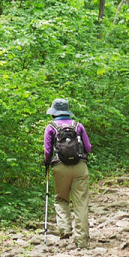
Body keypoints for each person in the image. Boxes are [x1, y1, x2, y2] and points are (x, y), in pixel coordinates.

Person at [43, 98, 92, 248]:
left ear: (54, 113)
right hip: (80, 167)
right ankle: (82, 240)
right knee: (81, 203)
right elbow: (88, 148)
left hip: (60, 167)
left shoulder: (50, 127)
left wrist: (46, 164)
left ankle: (64, 229)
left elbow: (47, 152)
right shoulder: (78, 126)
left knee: (61, 199)